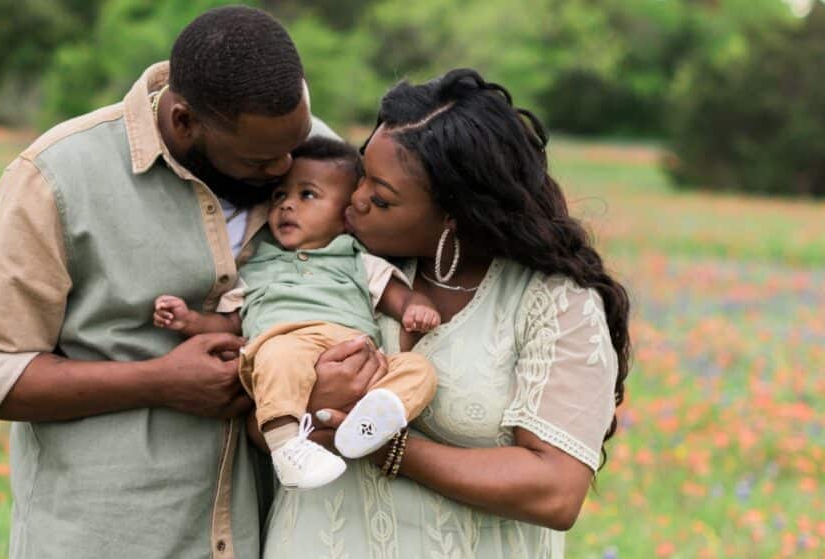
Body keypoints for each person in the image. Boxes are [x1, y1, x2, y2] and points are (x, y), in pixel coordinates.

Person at [0, 7, 385, 558]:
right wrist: (158, 381)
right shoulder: (59, 176)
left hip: (271, 536)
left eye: (294, 146)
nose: (286, 169)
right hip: (111, 539)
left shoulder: (314, 155)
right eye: (263, 160)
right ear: (184, 123)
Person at [262, 68, 632, 558]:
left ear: (453, 218)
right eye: (361, 176)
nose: (354, 201)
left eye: (381, 196)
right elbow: (252, 401)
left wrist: (387, 447)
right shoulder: (327, 260)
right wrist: (307, 404)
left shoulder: (555, 302)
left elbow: (556, 490)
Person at [152, 137, 439, 490]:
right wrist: (190, 322)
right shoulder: (257, 265)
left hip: (356, 355)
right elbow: (230, 322)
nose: (287, 205)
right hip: (283, 345)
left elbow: (398, 297)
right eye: (279, 196)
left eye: (307, 195)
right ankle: (287, 447)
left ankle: (368, 424)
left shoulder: (353, 258)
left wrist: (416, 308)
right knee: (277, 355)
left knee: (418, 369)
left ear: (346, 215)